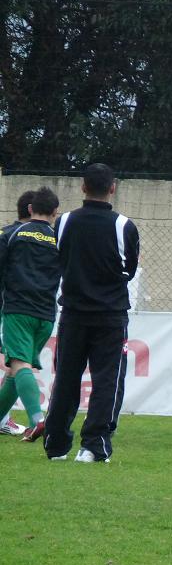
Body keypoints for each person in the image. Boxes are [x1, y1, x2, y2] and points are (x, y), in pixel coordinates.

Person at [43, 163, 140, 463]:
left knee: (66, 379)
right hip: (110, 316)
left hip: (72, 313)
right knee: (107, 380)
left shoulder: (64, 222)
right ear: (113, 188)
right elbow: (129, 269)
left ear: (83, 187)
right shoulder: (124, 226)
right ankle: (94, 446)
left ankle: (56, 444)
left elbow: (58, 260)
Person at [0, 187, 61, 441]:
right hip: (46, 315)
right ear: (55, 213)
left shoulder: (13, 234)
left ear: (29, 209)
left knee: (19, 364)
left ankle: (37, 420)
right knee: (15, 370)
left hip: (18, 310)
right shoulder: (60, 239)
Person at [0, 189, 36, 437]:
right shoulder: (21, 237)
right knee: (16, 365)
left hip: (13, 308)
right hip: (12, 308)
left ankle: (3, 418)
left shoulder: (6, 233)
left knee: (14, 366)